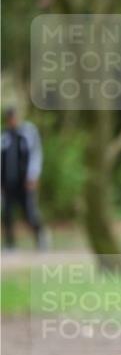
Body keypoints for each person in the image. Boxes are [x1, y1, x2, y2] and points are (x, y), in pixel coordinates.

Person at [1, 106, 47, 250]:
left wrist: (33, 176)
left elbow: (36, 154)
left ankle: (41, 237)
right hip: (8, 183)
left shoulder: (28, 133)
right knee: (7, 213)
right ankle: (10, 244)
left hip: (25, 182)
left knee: (29, 212)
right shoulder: (4, 137)